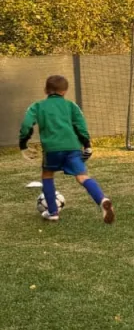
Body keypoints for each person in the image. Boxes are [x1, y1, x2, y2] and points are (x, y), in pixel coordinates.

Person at [19, 75, 114, 223]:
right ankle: (102, 200)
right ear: (65, 91)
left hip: (52, 149)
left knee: (47, 175)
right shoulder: (71, 105)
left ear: (45, 90)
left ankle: (53, 212)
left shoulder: (36, 106)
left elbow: (26, 125)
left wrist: (23, 143)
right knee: (83, 177)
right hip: (73, 147)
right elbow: (81, 126)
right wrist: (87, 145)